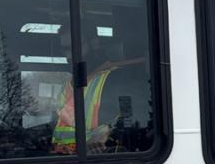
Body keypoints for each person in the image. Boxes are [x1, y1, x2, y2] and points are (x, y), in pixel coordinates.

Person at [51, 26, 150, 155]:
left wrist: (106, 135)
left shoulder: (117, 79)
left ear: (94, 43)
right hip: (64, 158)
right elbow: (62, 125)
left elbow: (130, 122)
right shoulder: (68, 85)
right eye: (64, 49)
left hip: (95, 161)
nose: (68, 55)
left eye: (73, 48)